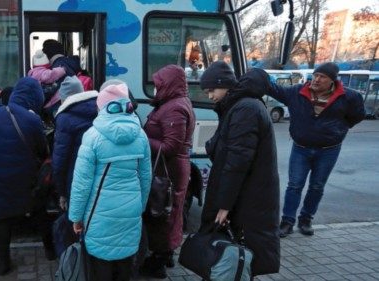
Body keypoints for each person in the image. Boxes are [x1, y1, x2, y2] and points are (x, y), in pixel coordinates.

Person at [199, 62, 280, 276]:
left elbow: (237, 163)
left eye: (211, 90)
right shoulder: (240, 106)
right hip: (247, 194)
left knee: (240, 254)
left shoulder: (245, 109)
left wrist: (224, 206)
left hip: (248, 197)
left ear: (224, 84)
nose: (210, 96)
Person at [268, 62, 365, 237]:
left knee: (317, 187)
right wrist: (257, 76)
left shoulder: (348, 97)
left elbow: (357, 115)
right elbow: (274, 89)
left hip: (328, 150)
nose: (317, 79)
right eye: (316, 75)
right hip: (301, 149)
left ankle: (306, 220)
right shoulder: (297, 92)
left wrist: (339, 129)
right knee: (294, 185)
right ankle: (287, 222)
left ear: (332, 81)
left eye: (322, 77)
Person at [68, 83, 152, 281]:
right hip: (130, 210)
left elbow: (81, 184)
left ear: (102, 107)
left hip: (99, 215)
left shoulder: (92, 137)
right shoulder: (141, 135)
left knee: (100, 267)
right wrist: (139, 207)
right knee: (125, 264)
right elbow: (145, 177)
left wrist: (76, 217)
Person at [0, 77, 48, 275]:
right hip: (24, 177)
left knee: (2, 220)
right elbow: (43, 150)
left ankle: (3, 263)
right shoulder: (32, 119)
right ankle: (50, 251)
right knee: (39, 211)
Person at [140, 64, 196, 279]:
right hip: (168, 169)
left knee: (163, 214)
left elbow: (170, 147)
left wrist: (142, 138)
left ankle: (158, 263)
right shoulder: (171, 103)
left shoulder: (175, 107)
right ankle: (166, 254)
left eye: (158, 84)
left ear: (170, 84)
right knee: (168, 212)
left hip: (169, 171)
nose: (155, 88)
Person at [53, 75, 98, 210]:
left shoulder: (65, 118)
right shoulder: (99, 109)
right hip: (99, 179)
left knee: (75, 223)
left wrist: (62, 192)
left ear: (64, 98)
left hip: (75, 181)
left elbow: (60, 162)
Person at [41, 39, 83, 114]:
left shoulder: (57, 68)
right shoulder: (71, 64)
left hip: (60, 108)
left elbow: (51, 91)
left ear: (47, 55)